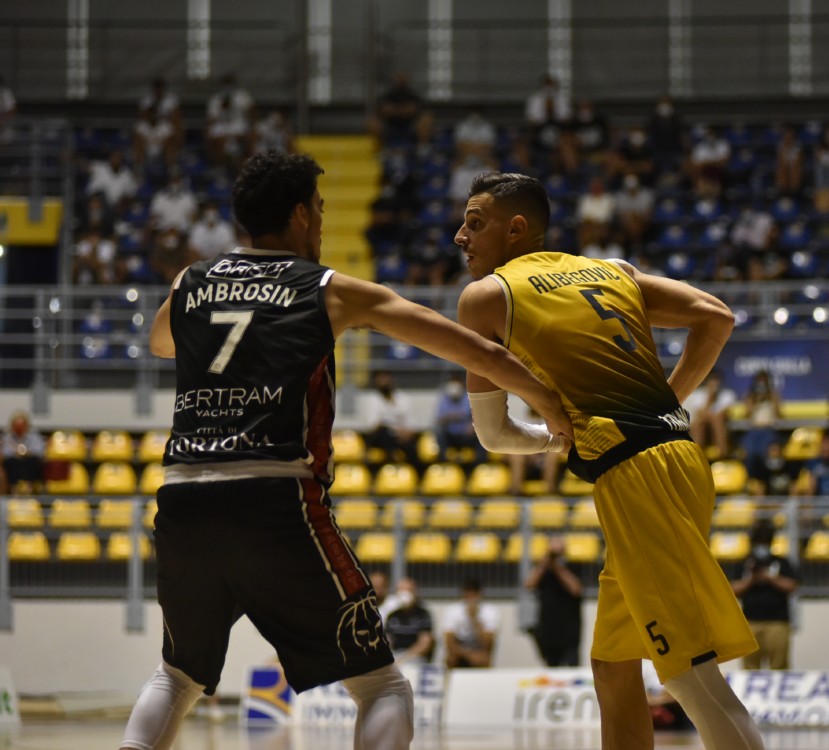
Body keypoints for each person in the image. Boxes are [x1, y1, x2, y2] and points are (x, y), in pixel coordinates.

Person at [119, 151, 571, 750]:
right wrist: (551, 406)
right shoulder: (328, 288)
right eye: (321, 210)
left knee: (177, 675)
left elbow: (160, 342)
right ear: (301, 215)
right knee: (382, 686)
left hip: (183, 499)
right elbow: (476, 352)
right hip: (274, 498)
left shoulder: (189, 282)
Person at [454, 171, 763, 750]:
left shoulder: (487, 296)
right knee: (614, 663)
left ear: (515, 229)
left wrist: (556, 439)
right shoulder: (612, 270)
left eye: (474, 223)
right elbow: (716, 316)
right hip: (678, 457)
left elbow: (494, 434)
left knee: (689, 673)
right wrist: (668, 401)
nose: (459, 236)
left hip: (634, 476)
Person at [731, 520, 798, 670]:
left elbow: (791, 586)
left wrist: (770, 578)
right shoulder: (745, 564)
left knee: (779, 666)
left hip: (777, 622)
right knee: (750, 667)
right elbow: (733, 589)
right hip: (750, 622)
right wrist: (752, 579)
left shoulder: (781, 562)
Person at [524, 536, 583, 667]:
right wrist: (544, 563)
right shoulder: (544, 571)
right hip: (549, 630)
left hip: (569, 631)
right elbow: (529, 585)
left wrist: (557, 567)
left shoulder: (572, 567)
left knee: (573, 667)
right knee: (551, 668)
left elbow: (576, 589)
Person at [365, 371, 421, 471]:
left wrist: (406, 432)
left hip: (401, 436)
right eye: (380, 379)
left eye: (385, 378)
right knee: (384, 433)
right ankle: (392, 462)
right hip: (380, 437)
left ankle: (415, 473)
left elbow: (411, 422)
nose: (384, 381)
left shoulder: (402, 398)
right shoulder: (373, 399)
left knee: (412, 447)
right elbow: (373, 425)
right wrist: (395, 430)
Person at [443, 578, 501, 669]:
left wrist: (474, 619)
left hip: (479, 653)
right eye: (468, 592)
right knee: (451, 659)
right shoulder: (452, 610)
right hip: (459, 653)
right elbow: (449, 642)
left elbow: (487, 644)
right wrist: (468, 655)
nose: (470, 597)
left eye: (474, 593)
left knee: (484, 659)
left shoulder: (490, 611)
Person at [433, 372, 486, 465]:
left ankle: (478, 465)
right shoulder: (444, 399)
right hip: (451, 436)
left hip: (466, 435)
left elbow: (477, 415)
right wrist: (454, 416)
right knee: (439, 433)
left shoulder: (469, 398)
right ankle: (444, 463)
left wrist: (472, 425)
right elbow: (440, 419)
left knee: (482, 436)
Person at [684, 370, 737, 459]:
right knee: (699, 423)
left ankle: (721, 454)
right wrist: (710, 398)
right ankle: (696, 455)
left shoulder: (727, 395)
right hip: (703, 427)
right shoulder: (699, 395)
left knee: (717, 421)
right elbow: (700, 414)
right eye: (712, 380)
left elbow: (724, 414)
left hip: (720, 427)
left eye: (717, 380)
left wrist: (711, 416)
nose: (715, 384)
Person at [739, 370, 782, 477]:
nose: (761, 385)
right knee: (749, 453)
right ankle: (750, 479)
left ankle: (765, 480)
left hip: (768, 431)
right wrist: (755, 400)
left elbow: (779, 414)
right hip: (753, 431)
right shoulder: (750, 396)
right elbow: (747, 415)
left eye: (764, 382)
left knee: (767, 454)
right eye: (759, 382)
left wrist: (770, 398)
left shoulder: (773, 396)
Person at [384, 578, 435, 664]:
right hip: (395, 655)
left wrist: (405, 657)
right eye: (401, 590)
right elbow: (387, 640)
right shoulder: (392, 616)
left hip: (415, 657)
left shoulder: (423, 615)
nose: (404, 594)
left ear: (415, 592)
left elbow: (425, 644)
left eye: (408, 590)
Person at [1, 411, 46, 493]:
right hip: (13, 462)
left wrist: (27, 453)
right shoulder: (7, 438)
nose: (19, 428)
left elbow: (40, 451)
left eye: (21, 425)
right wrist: (15, 452)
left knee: (33, 461)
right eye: (16, 426)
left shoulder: (34, 436)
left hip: (29, 461)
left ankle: (30, 486)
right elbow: (5, 452)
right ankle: (14, 487)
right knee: (12, 462)